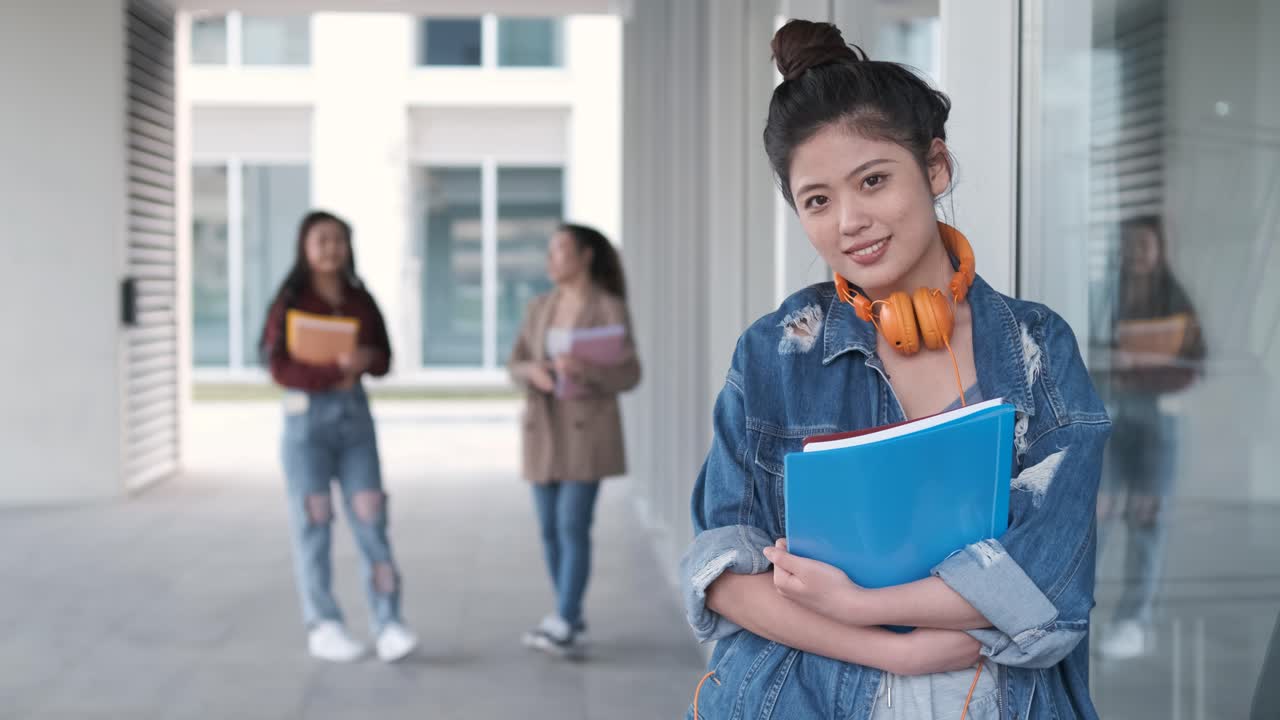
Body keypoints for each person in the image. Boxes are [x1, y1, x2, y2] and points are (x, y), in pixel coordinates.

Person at [679, 20, 1111, 719]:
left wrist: (856, 602)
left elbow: (1047, 581)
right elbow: (721, 569)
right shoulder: (775, 352)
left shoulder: (1035, 348)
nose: (849, 221)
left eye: (872, 180)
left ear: (934, 168)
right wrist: (894, 647)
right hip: (804, 700)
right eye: (818, 200)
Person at [260, 210, 418, 663]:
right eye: (321, 240)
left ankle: (390, 621)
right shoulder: (290, 301)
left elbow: (386, 359)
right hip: (305, 424)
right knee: (313, 524)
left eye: (338, 240)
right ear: (305, 248)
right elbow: (276, 366)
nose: (331, 248)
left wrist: (365, 359)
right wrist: (333, 369)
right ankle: (323, 622)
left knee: (372, 520)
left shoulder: (360, 299)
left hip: (355, 421)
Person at [507, 223, 641, 658]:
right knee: (549, 528)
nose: (551, 260)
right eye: (549, 251)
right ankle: (571, 615)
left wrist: (584, 371)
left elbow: (629, 373)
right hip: (543, 426)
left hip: (587, 428)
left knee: (571, 524)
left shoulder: (608, 308)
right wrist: (535, 372)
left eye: (560, 250)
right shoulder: (538, 306)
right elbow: (514, 365)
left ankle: (564, 619)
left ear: (584, 256)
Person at [1096, 216, 1205, 659]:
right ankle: (1073, 610)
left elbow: (1194, 365)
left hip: (1158, 422)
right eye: (1129, 245)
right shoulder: (1105, 295)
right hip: (1111, 414)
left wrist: (1137, 362)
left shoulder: (1174, 299)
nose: (1136, 254)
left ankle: (1134, 621)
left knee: (1147, 521)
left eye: (1144, 245)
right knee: (1096, 515)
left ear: (1159, 250)